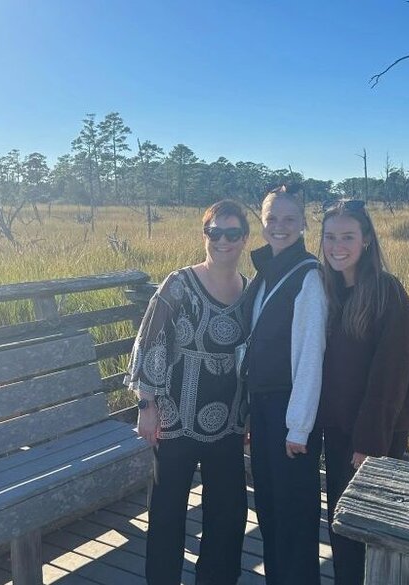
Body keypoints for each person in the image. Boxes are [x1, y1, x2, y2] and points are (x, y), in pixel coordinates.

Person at [126, 200, 250, 585]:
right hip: (175, 417)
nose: (223, 241)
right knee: (167, 513)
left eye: (232, 233)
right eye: (215, 232)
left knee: (227, 514)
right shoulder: (179, 283)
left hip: (228, 421)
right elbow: (152, 340)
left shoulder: (249, 290)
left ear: (244, 238)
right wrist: (147, 404)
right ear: (205, 235)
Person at [318, 199, 409, 585]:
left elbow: (390, 376)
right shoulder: (327, 290)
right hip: (336, 431)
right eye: (329, 237)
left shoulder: (386, 293)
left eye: (347, 236)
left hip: (374, 437)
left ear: (367, 240)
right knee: (341, 527)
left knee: (372, 531)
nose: (337, 246)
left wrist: (368, 445)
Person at [241, 185, 328, 585]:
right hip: (262, 408)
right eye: (272, 218)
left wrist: (298, 426)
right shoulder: (264, 275)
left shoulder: (308, 277)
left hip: (290, 412)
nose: (280, 227)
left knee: (295, 513)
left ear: (304, 224)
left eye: (289, 219)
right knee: (271, 509)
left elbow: (310, 357)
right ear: (262, 221)